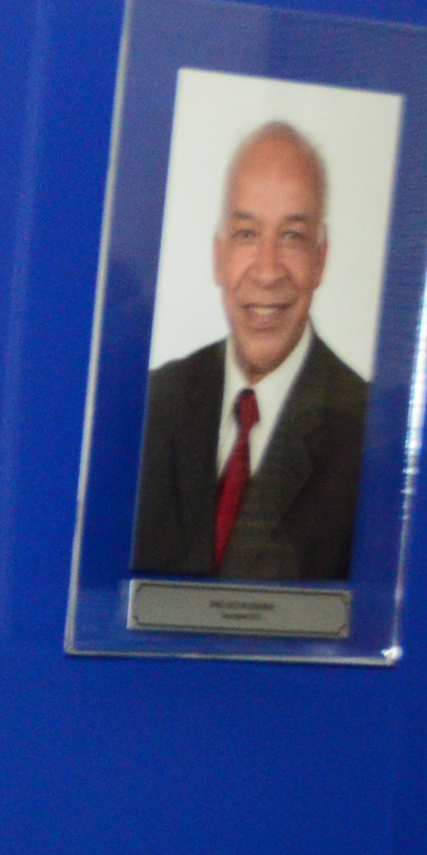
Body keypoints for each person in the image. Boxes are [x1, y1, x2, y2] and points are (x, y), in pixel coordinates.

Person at [131, 119, 368, 583]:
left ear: (321, 258)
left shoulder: (368, 436)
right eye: (246, 234)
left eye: (292, 235)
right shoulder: (152, 405)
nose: (266, 270)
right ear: (218, 256)